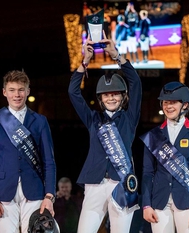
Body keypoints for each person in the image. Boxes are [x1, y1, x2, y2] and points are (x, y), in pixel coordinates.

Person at [68, 33, 142, 233]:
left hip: (122, 183)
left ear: (122, 97)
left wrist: (117, 56)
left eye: (115, 94)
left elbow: (136, 83)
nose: (111, 98)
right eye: (106, 94)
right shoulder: (93, 119)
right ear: (101, 98)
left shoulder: (129, 118)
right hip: (94, 184)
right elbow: (73, 93)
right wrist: (85, 61)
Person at [0, 70, 57, 233]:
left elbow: (49, 161)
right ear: (4, 92)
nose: (17, 95)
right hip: (4, 192)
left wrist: (49, 196)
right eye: (12, 90)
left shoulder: (40, 121)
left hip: (35, 190)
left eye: (21, 90)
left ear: (28, 91)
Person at [140, 81, 189, 233]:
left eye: (173, 102)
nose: (168, 106)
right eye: (165, 102)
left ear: (185, 105)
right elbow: (147, 173)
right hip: (159, 202)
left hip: (187, 201)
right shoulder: (154, 136)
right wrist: (146, 204)